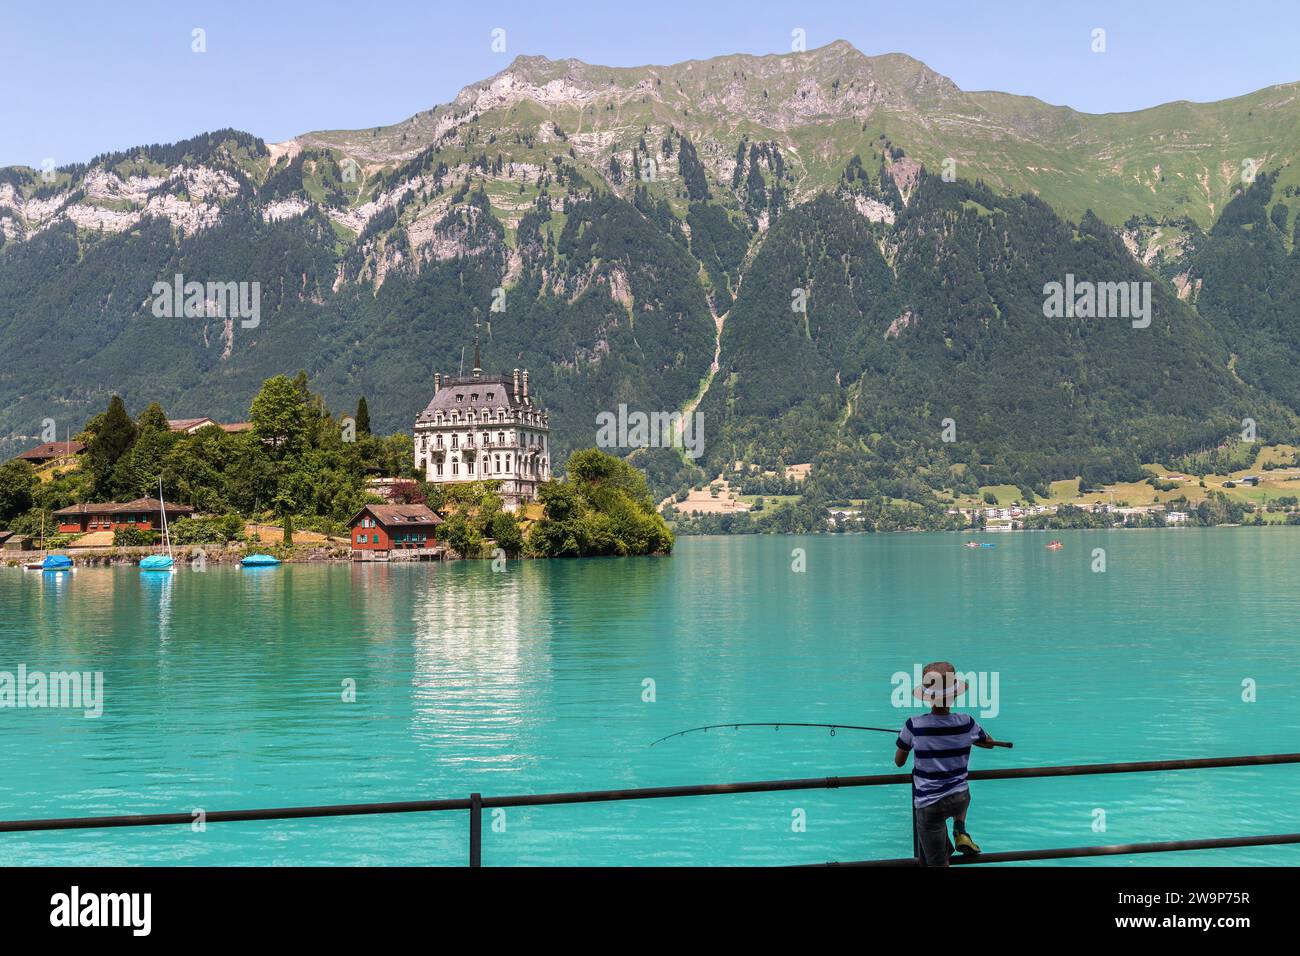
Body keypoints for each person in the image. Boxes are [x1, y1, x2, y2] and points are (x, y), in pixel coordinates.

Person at [894, 661, 999, 866]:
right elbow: (989, 743)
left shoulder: (914, 724)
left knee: (936, 863)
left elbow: (899, 762)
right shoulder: (966, 722)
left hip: (929, 804)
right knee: (960, 796)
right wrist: (966, 738)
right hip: (960, 798)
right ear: (955, 694)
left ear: (928, 696)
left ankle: (948, 846)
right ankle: (960, 828)